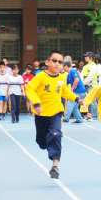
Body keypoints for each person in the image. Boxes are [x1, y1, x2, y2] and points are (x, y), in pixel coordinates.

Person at [26, 50, 78, 179]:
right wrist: (36, 103)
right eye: (54, 61)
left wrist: (76, 98)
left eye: (60, 62)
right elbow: (30, 88)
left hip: (56, 112)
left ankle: (55, 165)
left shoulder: (62, 77)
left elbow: (65, 92)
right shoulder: (40, 76)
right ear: (48, 62)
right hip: (41, 113)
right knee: (42, 142)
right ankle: (45, 143)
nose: (57, 64)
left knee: (56, 134)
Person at [81, 51, 99, 121]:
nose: (85, 57)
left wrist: (83, 83)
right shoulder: (86, 66)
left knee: (93, 100)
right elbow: (82, 76)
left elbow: (91, 76)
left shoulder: (93, 66)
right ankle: (89, 115)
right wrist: (83, 83)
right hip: (86, 85)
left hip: (92, 85)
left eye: (86, 56)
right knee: (88, 100)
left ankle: (94, 115)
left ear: (91, 58)